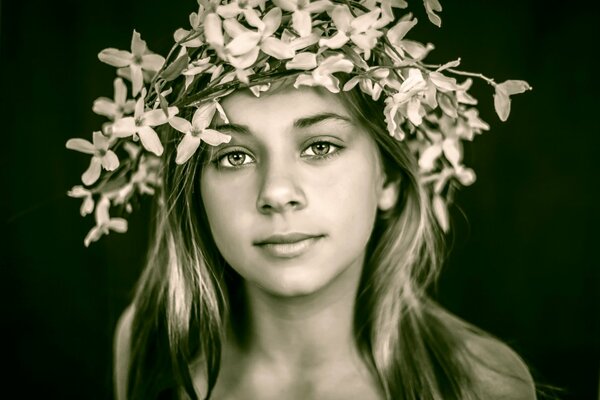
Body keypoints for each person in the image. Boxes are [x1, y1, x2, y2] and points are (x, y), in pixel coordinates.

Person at [66, 0, 535, 399]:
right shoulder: (150, 347)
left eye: (320, 147)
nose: (276, 193)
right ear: (194, 190)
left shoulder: (483, 382)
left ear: (388, 178)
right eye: (233, 156)